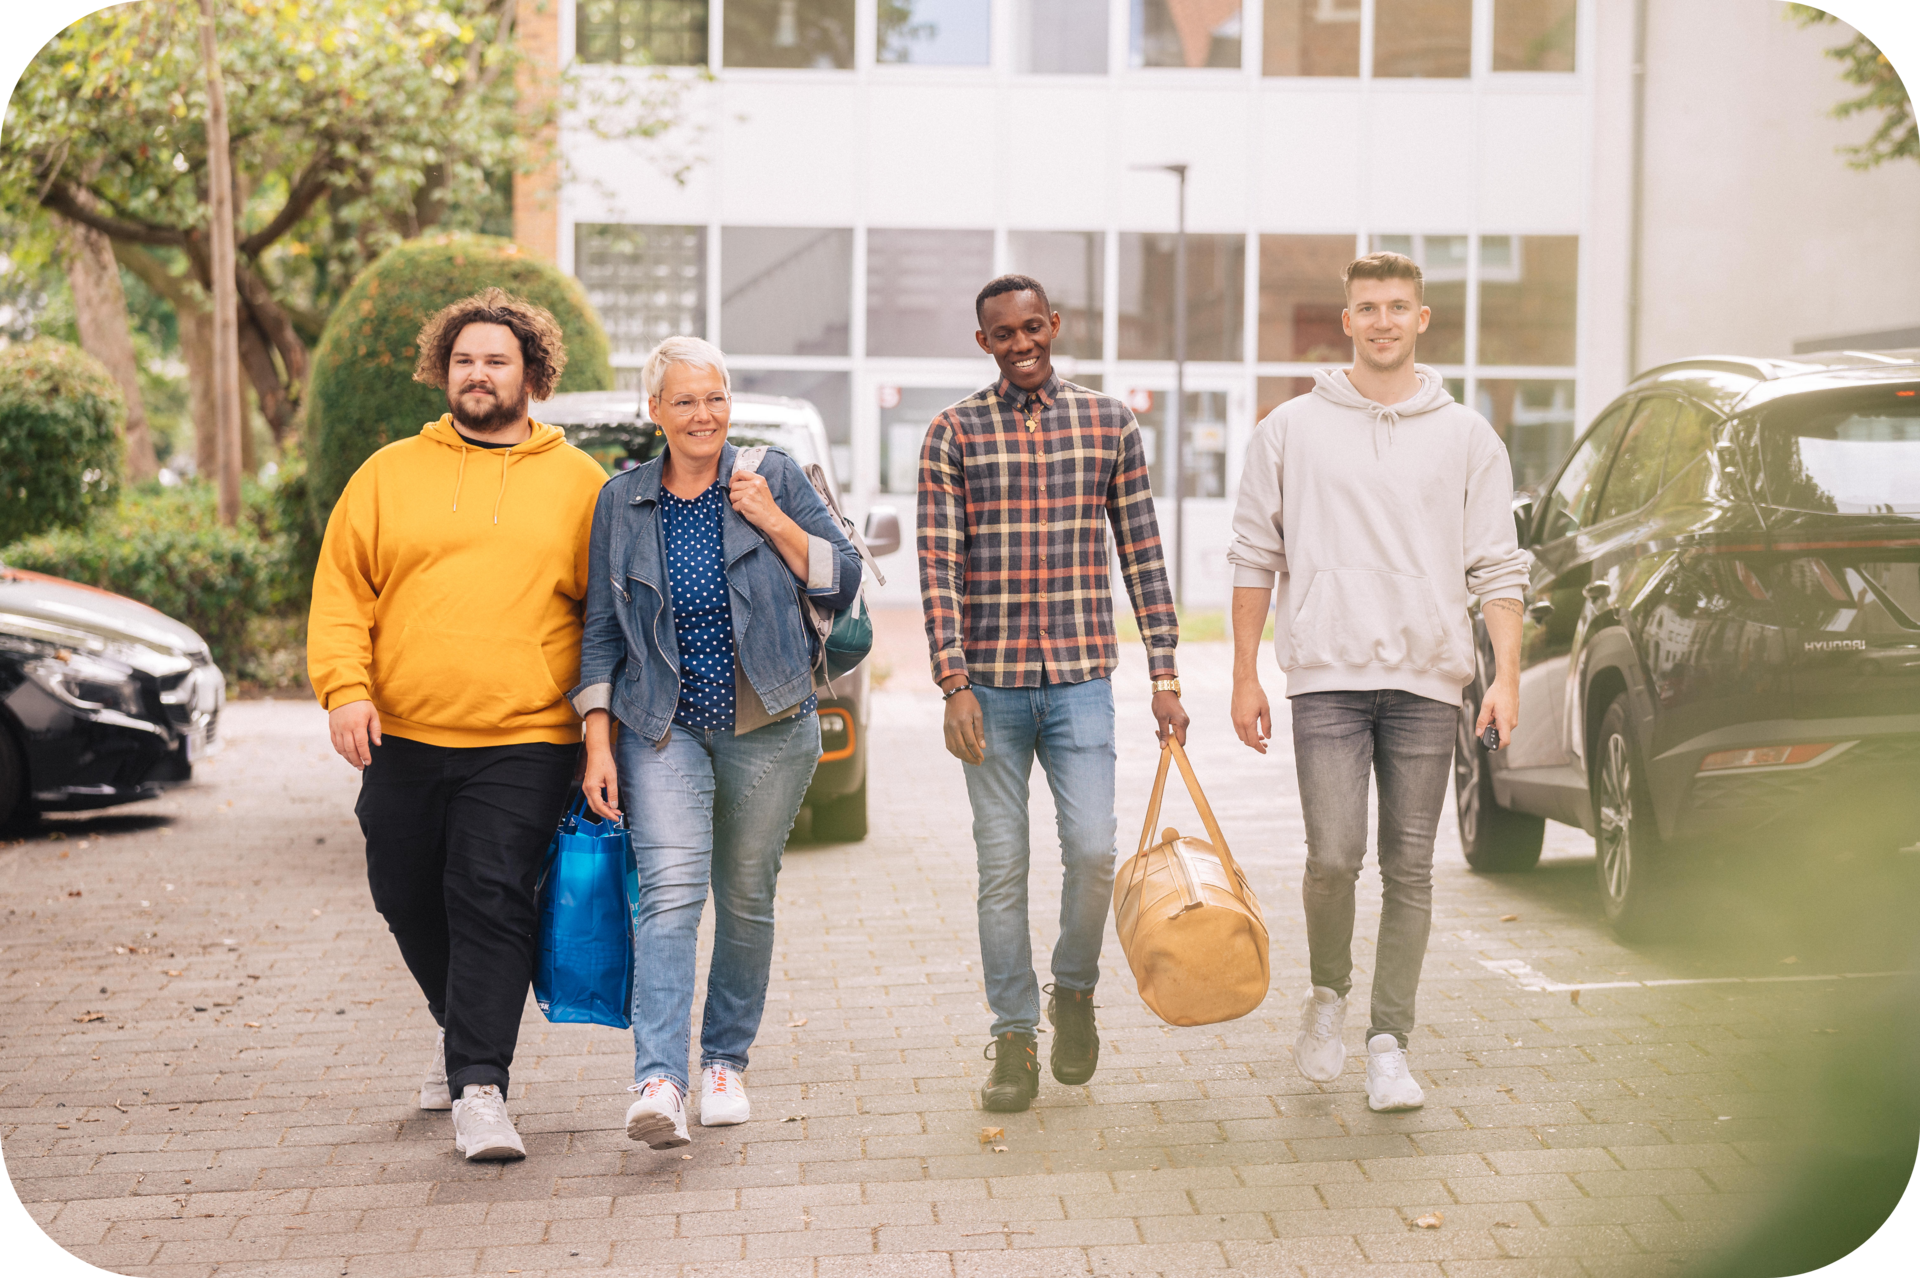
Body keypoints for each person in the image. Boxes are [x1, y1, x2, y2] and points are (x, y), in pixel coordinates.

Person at [308, 288, 608, 1160]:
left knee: (489, 899)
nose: (478, 375)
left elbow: (605, 620)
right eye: (465, 360)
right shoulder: (388, 472)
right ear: (445, 369)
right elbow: (341, 593)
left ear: (533, 376)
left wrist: (599, 732)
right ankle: (463, 1038)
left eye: (497, 361)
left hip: (524, 738)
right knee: (403, 892)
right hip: (401, 734)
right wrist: (344, 689)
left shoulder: (579, 483)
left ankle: (481, 1087)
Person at [1226, 251, 1529, 1111]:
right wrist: (1245, 674)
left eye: (1400, 306)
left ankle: (1389, 1042)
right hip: (1325, 677)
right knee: (1332, 858)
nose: (1385, 320)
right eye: (1370, 307)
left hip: (1429, 680)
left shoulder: (1468, 435)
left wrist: (1506, 676)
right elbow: (1254, 555)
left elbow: (1498, 566)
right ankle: (1327, 994)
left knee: (1410, 869)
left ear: (1422, 320)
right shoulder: (1289, 428)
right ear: (1347, 319)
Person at [574, 336, 861, 1149]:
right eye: (686, 401)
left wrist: (768, 516)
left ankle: (724, 1062)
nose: (704, 415)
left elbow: (841, 579)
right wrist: (598, 742)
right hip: (660, 728)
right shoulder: (620, 502)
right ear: (656, 410)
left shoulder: (771, 476)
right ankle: (658, 1079)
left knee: (745, 895)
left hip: (771, 722)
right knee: (668, 895)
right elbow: (600, 631)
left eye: (716, 398)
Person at [918, 274, 1189, 1114]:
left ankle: (1073, 989)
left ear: (1055, 326)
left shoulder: (1109, 422)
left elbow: (1141, 547)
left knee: (1096, 851)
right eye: (1004, 334)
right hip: (990, 689)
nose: (1022, 344)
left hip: (1080, 681)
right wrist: (952, 680)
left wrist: (1166, 671)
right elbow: (938, 566)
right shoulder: (952, 432)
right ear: (984, 343)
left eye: (1034, 328)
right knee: (1002, 868)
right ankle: (1012, 1036)